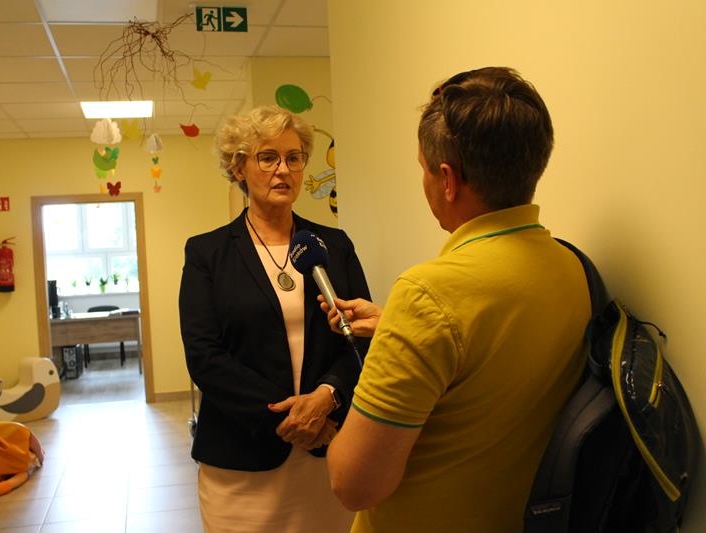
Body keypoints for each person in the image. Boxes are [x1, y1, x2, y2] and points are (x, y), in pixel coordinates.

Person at [323, 67, 591, 532]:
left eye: (423, 169)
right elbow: (492, 354)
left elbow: (354, 485)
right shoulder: (572, 268)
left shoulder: (427, 293)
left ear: (447, 180)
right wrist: (396, 329)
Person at [179, 105, 371, 532]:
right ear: (238, 168)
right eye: (268, 158)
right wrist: (291, 417)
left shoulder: (334, 245)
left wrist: (327, 398)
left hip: (328, 447)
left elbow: (360, 339)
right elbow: (205, 357)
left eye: (294, 157)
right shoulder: (207, 253)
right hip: (241, 459)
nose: (283, 170)